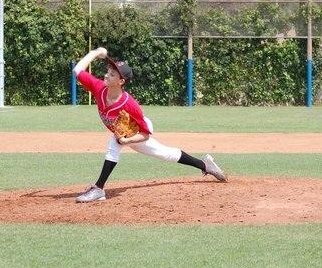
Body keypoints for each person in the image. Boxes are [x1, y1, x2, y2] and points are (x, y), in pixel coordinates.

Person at [73, 47, 227, 203]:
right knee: (165, 153)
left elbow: (145, 134)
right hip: (126, 131)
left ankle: (99, 189)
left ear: (121, 81)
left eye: (112, 74)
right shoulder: (99, 88)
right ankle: (205, 165)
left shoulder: (130, 105)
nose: (107, 75)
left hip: (138, 130)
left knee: (114, 143)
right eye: (108, 71)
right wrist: (95, 53)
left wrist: (127, 141)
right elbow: (77, 70)